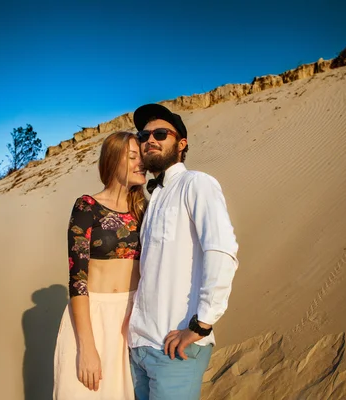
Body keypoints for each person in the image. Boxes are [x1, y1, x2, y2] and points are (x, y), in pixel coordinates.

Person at [128, 103, 239, 399]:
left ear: (181, 143)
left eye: (161, 133)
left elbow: (222, 250)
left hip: (174, 349)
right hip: (139, 347)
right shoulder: (154, 199)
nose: (150, 139)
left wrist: (201, 325)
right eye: (144, 135)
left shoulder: (196, 184)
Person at [53, 131, 147, 400]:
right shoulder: (87, 207)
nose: (140, 163)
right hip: (92, 318)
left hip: (133, 321)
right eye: (131, 156)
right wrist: (87, 348)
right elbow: (77, 279)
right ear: (112, 160)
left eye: (141, 157)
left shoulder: (145, 211)